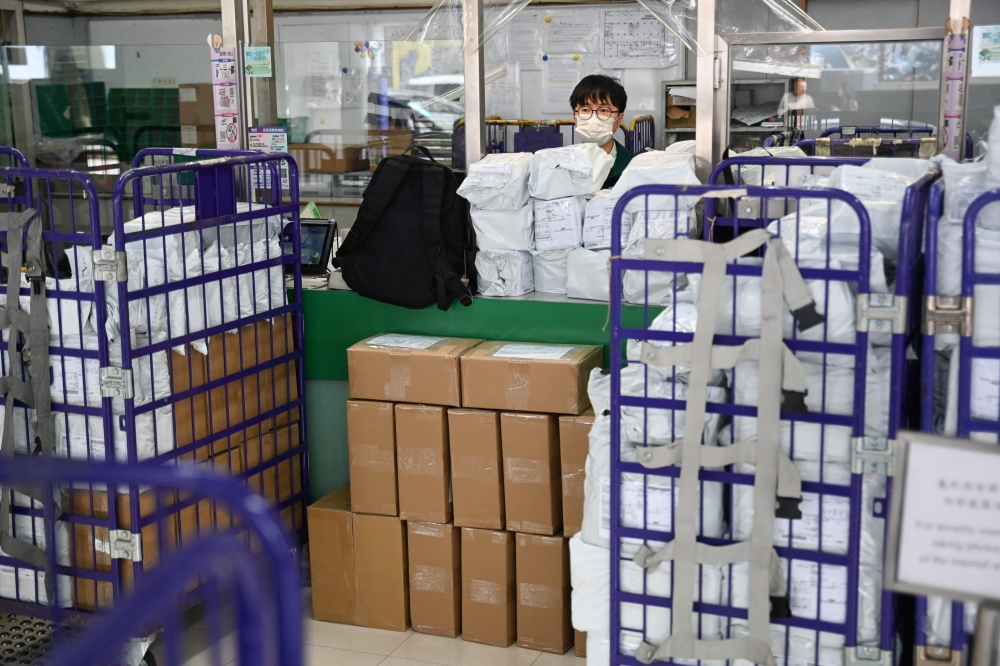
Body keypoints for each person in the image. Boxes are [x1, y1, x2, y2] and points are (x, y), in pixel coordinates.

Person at [570, 74, 633, 188]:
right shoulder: (563, 165)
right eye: (585, 109)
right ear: (575, 117)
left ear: (619, 119)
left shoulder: (633, 166)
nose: (594, 117)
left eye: (604, 110)